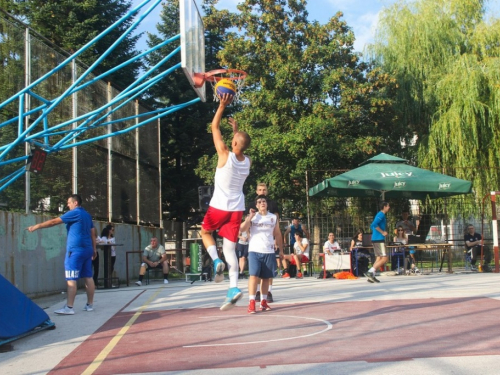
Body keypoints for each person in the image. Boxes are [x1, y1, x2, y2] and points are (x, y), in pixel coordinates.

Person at [200, 94, 252, 311]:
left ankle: (214, 261)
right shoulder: (246, 162)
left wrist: (221, 106)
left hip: (219, 206)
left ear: (232, 143)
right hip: (236, 210)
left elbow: (214, 127)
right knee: (230, 250)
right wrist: (236, 130)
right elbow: (239, 146)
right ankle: (233, 288)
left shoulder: (224, 154)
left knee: (205, 232)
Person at [27, 194, 96, 315]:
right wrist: (94, 249)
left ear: (75, 203)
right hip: (87, 250)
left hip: (75, 251)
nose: (67, 205)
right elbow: (92, 232)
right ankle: (89, 305)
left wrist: (37, 226)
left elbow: (54, 221)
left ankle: (69, 307)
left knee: (71, 278)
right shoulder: (87, 215)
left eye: (69, 202)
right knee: (88, 277)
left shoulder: (75, 213)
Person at [240, 195, 284, 313]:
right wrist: (249, 217)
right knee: (253, 276)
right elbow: (242, 229)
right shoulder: (253, 217)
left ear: (267, 204)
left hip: (268, 251)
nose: (262, 203)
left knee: (266, 277)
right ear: (256, 205)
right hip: (254, 250)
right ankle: (252, 302)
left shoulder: (273, 217)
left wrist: (281, 250)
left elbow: (278, 234)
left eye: (264, 201)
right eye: (259, 202)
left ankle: (263, 302)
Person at [251, 182, 281, 303]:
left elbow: (276, 223)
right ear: (256, 191)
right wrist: (248, 237)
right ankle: (257, 291)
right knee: (256, 271)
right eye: (260, 189)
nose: (262, 191)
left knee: (268, 272)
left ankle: (269, 292)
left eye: (264, 189)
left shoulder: (272, 204)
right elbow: (247, 222)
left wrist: (275, 240)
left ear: (267, 191)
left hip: (269, 243)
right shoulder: (252, 205)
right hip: (255, 244)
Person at [365, 201, 391, 283]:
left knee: (379, 257)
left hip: (376, 238)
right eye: (388, 206)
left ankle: (372, 275)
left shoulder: (379, 214)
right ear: (384, 206)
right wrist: (382, 232)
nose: (389, 207)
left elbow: (371, 225)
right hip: (379, 239)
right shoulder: (381, 214)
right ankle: (370, 271)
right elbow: (374, 224)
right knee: (385, 258)